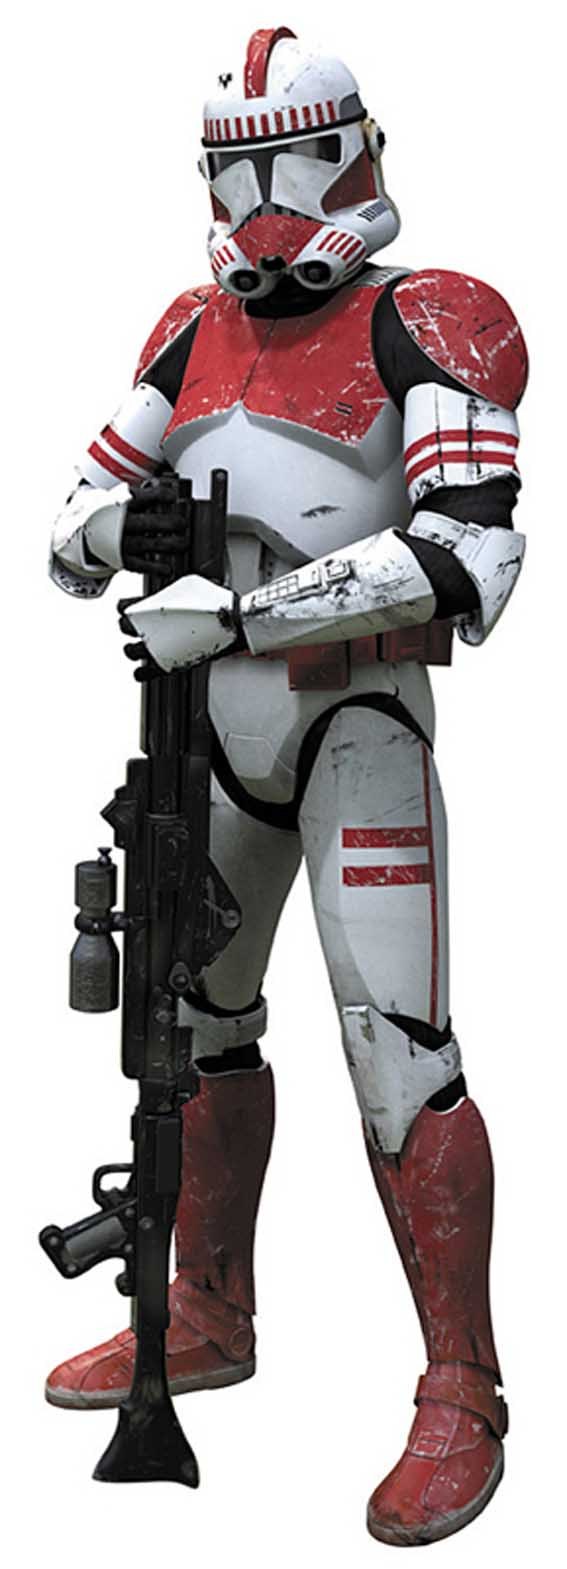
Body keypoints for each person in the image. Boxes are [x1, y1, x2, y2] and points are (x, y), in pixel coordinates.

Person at [45, 26, 527, 1547]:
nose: (262, 205)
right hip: (200, 732)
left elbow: (470, 553)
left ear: (349, 154)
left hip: (352, 722)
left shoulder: (431, 318)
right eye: (234, 172)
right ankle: (204, 1306)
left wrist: (244, 613)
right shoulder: (189, 330)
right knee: (191, 1026)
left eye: (288, 166)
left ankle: (461, 1383)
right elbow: (70, 529)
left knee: (401, 1051)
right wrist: (130, 539)